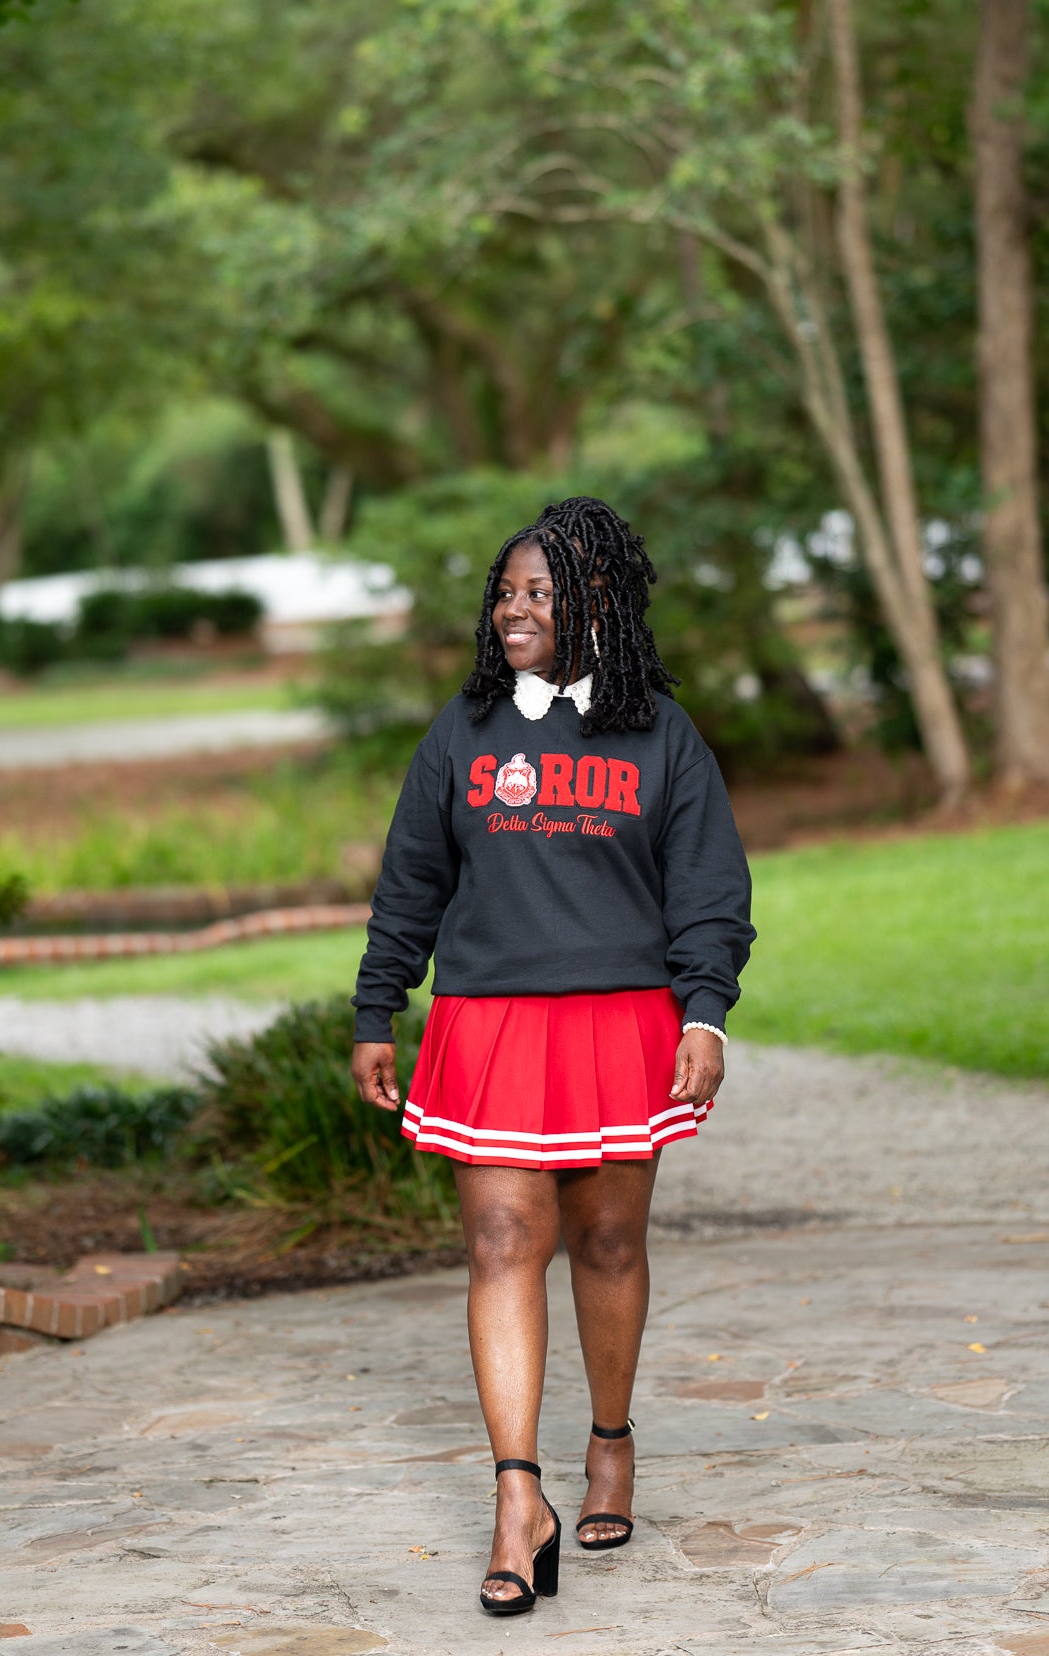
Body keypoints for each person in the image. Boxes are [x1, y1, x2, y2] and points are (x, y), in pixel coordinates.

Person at [351, 496, 754, 1617]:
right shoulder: (462, 732)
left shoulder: (659, 736)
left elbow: (711, 894)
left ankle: (611, 1445)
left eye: (539, 592)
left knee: (609, 1238)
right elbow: (409, 884)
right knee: (498, 1240)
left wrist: (703, 1014)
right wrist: (376, 1008)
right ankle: (517, 1498)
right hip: (489, 1021)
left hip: (620, 1022)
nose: (513, 608)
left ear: (596, 606)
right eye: (506, 590)